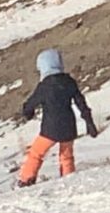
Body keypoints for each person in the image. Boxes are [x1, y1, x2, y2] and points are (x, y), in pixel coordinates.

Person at [17, 48, 98, 186]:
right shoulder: (69, 82)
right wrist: (89, 122)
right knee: (66, 156)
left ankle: (26, 180)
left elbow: (31, 103)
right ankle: (68, 180)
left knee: (36, 153)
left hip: (51, 128)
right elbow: (81, 103)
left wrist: (27, 112)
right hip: (69, 126)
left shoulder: (45, 85)